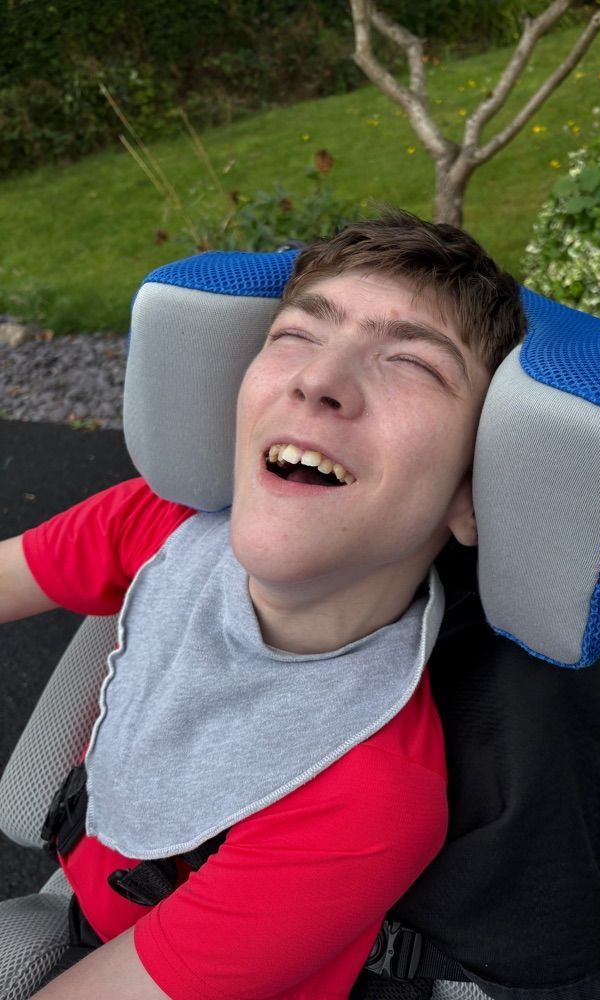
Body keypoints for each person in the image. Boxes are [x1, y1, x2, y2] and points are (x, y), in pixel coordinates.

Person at [0, 210, 527, 999]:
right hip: (96, 902)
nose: (319, 379)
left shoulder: (369, 796)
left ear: (469, 493)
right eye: (295, 337)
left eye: (412, 364)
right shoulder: (160, 527)